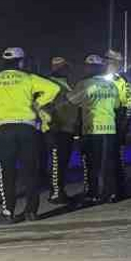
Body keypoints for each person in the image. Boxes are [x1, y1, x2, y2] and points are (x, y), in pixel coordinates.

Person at [0, 47, 60, 224]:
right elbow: (53, 88)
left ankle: (8, 213)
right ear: (21, 62)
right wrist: (36, 104)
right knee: (30, 170)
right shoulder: (28, 78)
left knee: (7, 171)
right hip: (27, 127)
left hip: (3, 129)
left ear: (4, 62)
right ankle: (31, 212)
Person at [68, 55, 124, 203]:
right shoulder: (111, 85)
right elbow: (117, 106)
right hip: (110, 129)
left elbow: (72, 100)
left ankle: (94, 194)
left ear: (88, 68)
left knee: (93, 164)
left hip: (92, 130)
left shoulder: (84, 84)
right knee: (108, 163)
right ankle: (111, 194)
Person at [42, 57, 80, 205]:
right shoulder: (48, 83)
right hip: (56, 128)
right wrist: (50, 122)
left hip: (67, 128)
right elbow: (41, 105)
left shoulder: (68, 83)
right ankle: (56, 194)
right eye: (62, 67)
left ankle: (59, 191)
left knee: (62, 162)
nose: (65, 69)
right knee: (58, 162)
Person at [104, 50, 131, 191]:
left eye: (112, 61)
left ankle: (120, 185)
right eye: (108, 60)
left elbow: (130, 104)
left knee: (117, 156)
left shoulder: (123, 81)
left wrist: (125, 124)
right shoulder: (99, 78)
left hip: (117, 121)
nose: (109, 63)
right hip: (100, 123)